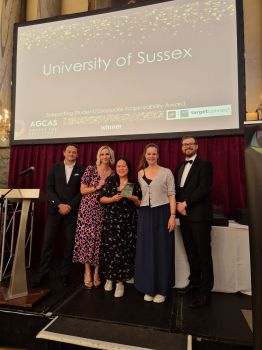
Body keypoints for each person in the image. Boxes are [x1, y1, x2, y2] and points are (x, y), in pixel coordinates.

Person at [34, 144, 85, 287]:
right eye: (69, 151)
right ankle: (42, 274)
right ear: (64, 153)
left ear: (77, 155)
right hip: (54, 211)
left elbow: (81, 192)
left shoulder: (82, 170)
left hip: (71, 212)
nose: (71, 154)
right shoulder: (54, 167)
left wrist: (70, 206)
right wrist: (59, 204)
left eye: (74, 152)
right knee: (47, 243)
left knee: (69, 245)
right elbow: (49, 188)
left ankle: (65, 274)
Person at [134, 143, 176, 303]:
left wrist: (172, 216)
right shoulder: (140, 173)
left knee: (162, 250)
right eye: (148, 154)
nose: (151, 156)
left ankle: (161, 290)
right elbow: (139, 196)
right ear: (145, 156)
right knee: (147, 251)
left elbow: (172, 194)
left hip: (163, 212)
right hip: (145, 214)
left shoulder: (166, 172)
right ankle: (148, 288)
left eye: (154, 154)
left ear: (158, 155)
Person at [175, 135, 213, 308]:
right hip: (183, 217)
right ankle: (194, 283)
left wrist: (185, 203)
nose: (188, 147)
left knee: (203, 255)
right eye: (185, 144)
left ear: (197, 146)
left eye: (191, 144)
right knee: (191, 252)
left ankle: (205, 292)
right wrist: (176, 204)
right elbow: (177, 190)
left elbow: (203, 189)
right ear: (182, 147)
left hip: (199, 217)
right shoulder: (180, 166)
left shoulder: (205, 165)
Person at [73, 145, 115, 289]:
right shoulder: (90, 169)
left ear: (111, 156)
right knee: (87, 240)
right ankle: (87, 272)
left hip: (103, 209)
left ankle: (97, 272)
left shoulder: (113, 173)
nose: (105, 157)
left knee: (99, 241)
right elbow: (82, 190)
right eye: (102, 154)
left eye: (107, 154)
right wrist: (98, 186)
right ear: (99, 156)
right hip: (87, 210)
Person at [100, 157, 142, 298]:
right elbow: (101, 198)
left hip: (127, 224)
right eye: (118, 166)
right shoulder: (110, 181)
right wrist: (112, 199)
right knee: (109, 250)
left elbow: (140, 203)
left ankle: (120, 283)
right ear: (116, 168)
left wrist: (134, 198)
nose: (121, 168)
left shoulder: (134, 184)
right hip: (111, 222)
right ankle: (109, 279)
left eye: (124, 166)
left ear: (128, 168)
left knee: (123, 253)